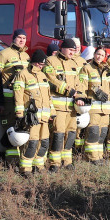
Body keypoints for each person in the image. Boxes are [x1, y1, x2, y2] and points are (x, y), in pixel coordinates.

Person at [43, 38, 85, 169]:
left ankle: (67, 162)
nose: (72, 53)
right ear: (63, 48)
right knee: (58, 134)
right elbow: (52, 80)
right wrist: (70, 91)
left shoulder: (74, 63)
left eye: (74, 50)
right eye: (70, 50)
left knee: (71, 133)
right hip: (58, 107)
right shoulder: (51, 61)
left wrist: (80, 96)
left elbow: (80, 83)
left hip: (72, 107)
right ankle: (54, 163)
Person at [13, 49, 53, 174]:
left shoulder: (42, 75)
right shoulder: (23, 74)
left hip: (44, 118)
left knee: (44, 142)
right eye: (41, 64)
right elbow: (18, 96)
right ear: (35, 63)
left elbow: (48, 96)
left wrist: (52, 111)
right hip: (32, 117)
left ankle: (38, 166)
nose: (42, 67)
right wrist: (19, 114)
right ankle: (25, 169)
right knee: (32, 142)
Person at [0, 29, 30, 164]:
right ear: (13, 38)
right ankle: (12, 163)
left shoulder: (27, 56)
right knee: (11, 129)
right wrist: (1, 102)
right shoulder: (4, 54)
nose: (22, 40)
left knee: (22, 129)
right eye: (19, 38)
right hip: (9, 100)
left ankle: (22, 160)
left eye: (24, 38)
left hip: (23, 100)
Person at [80, 46, 110, 162]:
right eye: (98, 54)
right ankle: (91, 157)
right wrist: (93, 88)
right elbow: (82, 86)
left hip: (105, 108)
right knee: (93, 132)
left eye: (102, 55)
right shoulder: (87, 68)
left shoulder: (107, 69)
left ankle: (99, 156)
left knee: (102, 133)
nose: (99, 57)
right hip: (93, 108)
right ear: (94, 54)